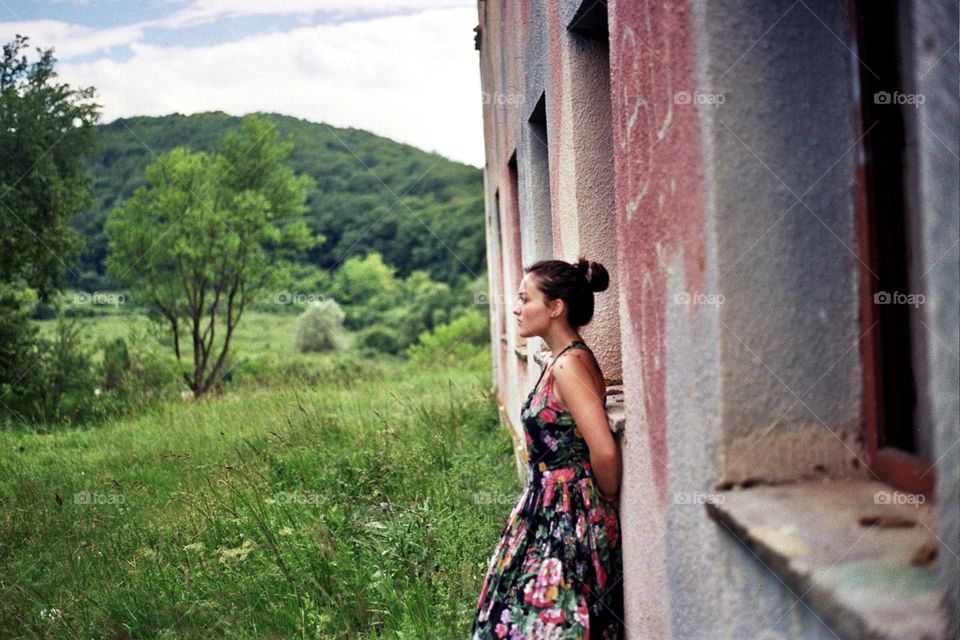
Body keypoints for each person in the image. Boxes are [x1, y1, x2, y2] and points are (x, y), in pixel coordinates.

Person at [471, 257, 624, 639]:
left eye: (526, 299)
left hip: (566, 518)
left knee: (548, 624)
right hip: (550, 510)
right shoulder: (564, 359)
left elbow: (604, 450)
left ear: (556, 307)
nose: (516, 307)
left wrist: (595, 503)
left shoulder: (570, 366)